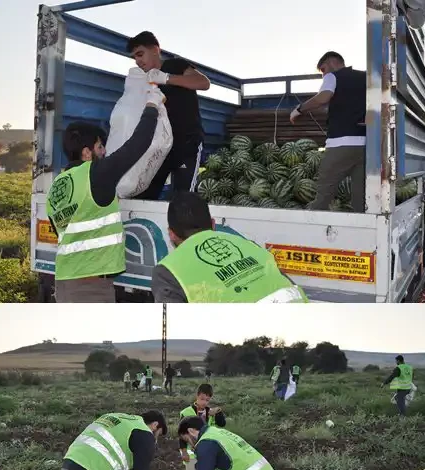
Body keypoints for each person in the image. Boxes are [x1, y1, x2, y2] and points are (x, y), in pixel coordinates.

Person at [48, 112, 160, 302]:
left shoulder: (57, 184)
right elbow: (137, 145)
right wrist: (152, 107)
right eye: (100, 146)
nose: (104, 152)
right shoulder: (95, 174)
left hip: (65, 280)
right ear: (86, 152)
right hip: (90, 287)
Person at [151, 192, 306, 302]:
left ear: (171, 234)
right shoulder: (248, 245)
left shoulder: (168, 271)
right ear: (213, 224)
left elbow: (172, 336)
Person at [127, 32, 210, 201]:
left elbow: (203, 83)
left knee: (183, 199)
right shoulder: (143, 78)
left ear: (156, 50)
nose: (138, 61)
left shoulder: (175, 65)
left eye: (140, 54)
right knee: (143, 194)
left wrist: (167, 78)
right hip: (159, 147)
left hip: (186, 144)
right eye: (134, 58)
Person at [292, 51, 367, 214]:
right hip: (366, 146)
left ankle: (312, 228)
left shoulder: (334, 76)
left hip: (340, 145)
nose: (323, 75)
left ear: (332, 63)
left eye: (323, 69)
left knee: (324, 191)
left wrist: (299, 109)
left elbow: (323, 97)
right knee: (361, 197)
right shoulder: (365, 77)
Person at [179, 383, 225, 470]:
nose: (204, 402)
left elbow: (222, 424)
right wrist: (184, 451)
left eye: (207, 400)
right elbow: (182, 434)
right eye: (202, 399)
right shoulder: (187, 412)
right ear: (197, 396)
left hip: (206, 451)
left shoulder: (211, 412)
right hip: (190, 451)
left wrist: (219, 412)